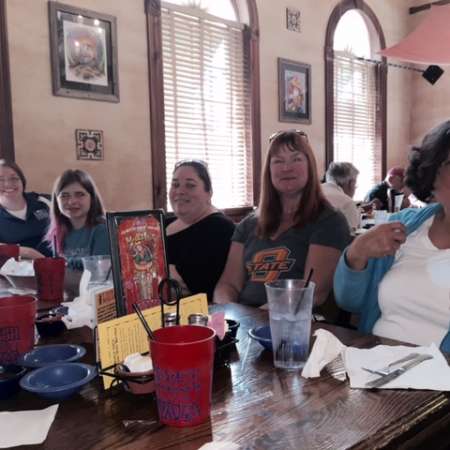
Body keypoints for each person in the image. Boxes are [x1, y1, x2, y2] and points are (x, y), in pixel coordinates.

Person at [334, 120, 450, 351]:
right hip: (370, 367)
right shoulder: (408, 226)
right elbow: (349, 302)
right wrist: (357, 253)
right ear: (432, 174)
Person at [214, 130, 351, 310]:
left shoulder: (329, 221)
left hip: (298, 324)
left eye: (296, 159)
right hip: (245, 322)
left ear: (310, 166)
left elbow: (313, 292)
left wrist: (256, 317)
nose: (287, 168)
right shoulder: (247, 225)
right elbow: (227, 285)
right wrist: (231, 312)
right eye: (278, 161)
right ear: (268, 170)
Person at [165, 160, 235, 302]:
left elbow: (205, 289)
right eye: (175, 184)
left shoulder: (220, 228)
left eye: (190, 185)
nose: (180, 191)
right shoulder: (162, 223)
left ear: (208, 193)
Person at [46, 169, 109, 270]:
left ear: (92, 198)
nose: (71, 201)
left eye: (79, 194)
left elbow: (100, 268)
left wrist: (64, 263)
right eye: (64, 196)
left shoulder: (103, 230)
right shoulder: (58, 231)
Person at [0, 159, 51, 258]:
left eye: (14, 178)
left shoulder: (41, 202)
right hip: (14, 270)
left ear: (22, 181)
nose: (8, 184)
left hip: (54, 266)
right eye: (0, 180)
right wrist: (26, 252)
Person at [322, 162, 360, 232]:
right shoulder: (347, 202)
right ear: (350, 183)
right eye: (355, 184)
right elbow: (351, 236)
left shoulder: (312, 191)